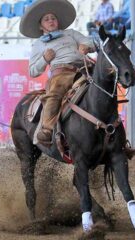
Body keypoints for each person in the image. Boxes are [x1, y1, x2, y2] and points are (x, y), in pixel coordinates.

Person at [19, 0, 95, 145]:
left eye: (53, 18)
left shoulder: (71, 33)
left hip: (85, 69)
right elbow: (32, 71)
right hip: (62, 74)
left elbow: (89, 41)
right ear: (41, 26)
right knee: (55, 93)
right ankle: (47, 129)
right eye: (46, 19)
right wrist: (44, 59)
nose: (51, 21)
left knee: (106, 83)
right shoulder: (39, 44)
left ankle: (114, 129)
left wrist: (86, 46)